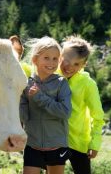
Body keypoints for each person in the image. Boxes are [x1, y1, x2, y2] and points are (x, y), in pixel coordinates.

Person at [20, 37, 72, 174]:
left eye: (55, 59)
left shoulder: (62, 83)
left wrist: (39, 97)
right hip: (33, 145)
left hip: (57, 146)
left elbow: (65, 112)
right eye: (47, 58)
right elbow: (24, 116)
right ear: (35, 60)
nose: (51, 62)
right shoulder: (27, 84)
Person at [58, 35, 105, 174]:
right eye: (66, 60)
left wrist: (95, 143)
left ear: (84, 65)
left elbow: (98, 116)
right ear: (60, 55)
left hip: (78, 143)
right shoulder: (51, 76)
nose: (69, 66)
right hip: (53, 139)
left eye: (76, 64)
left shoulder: (88, 84)